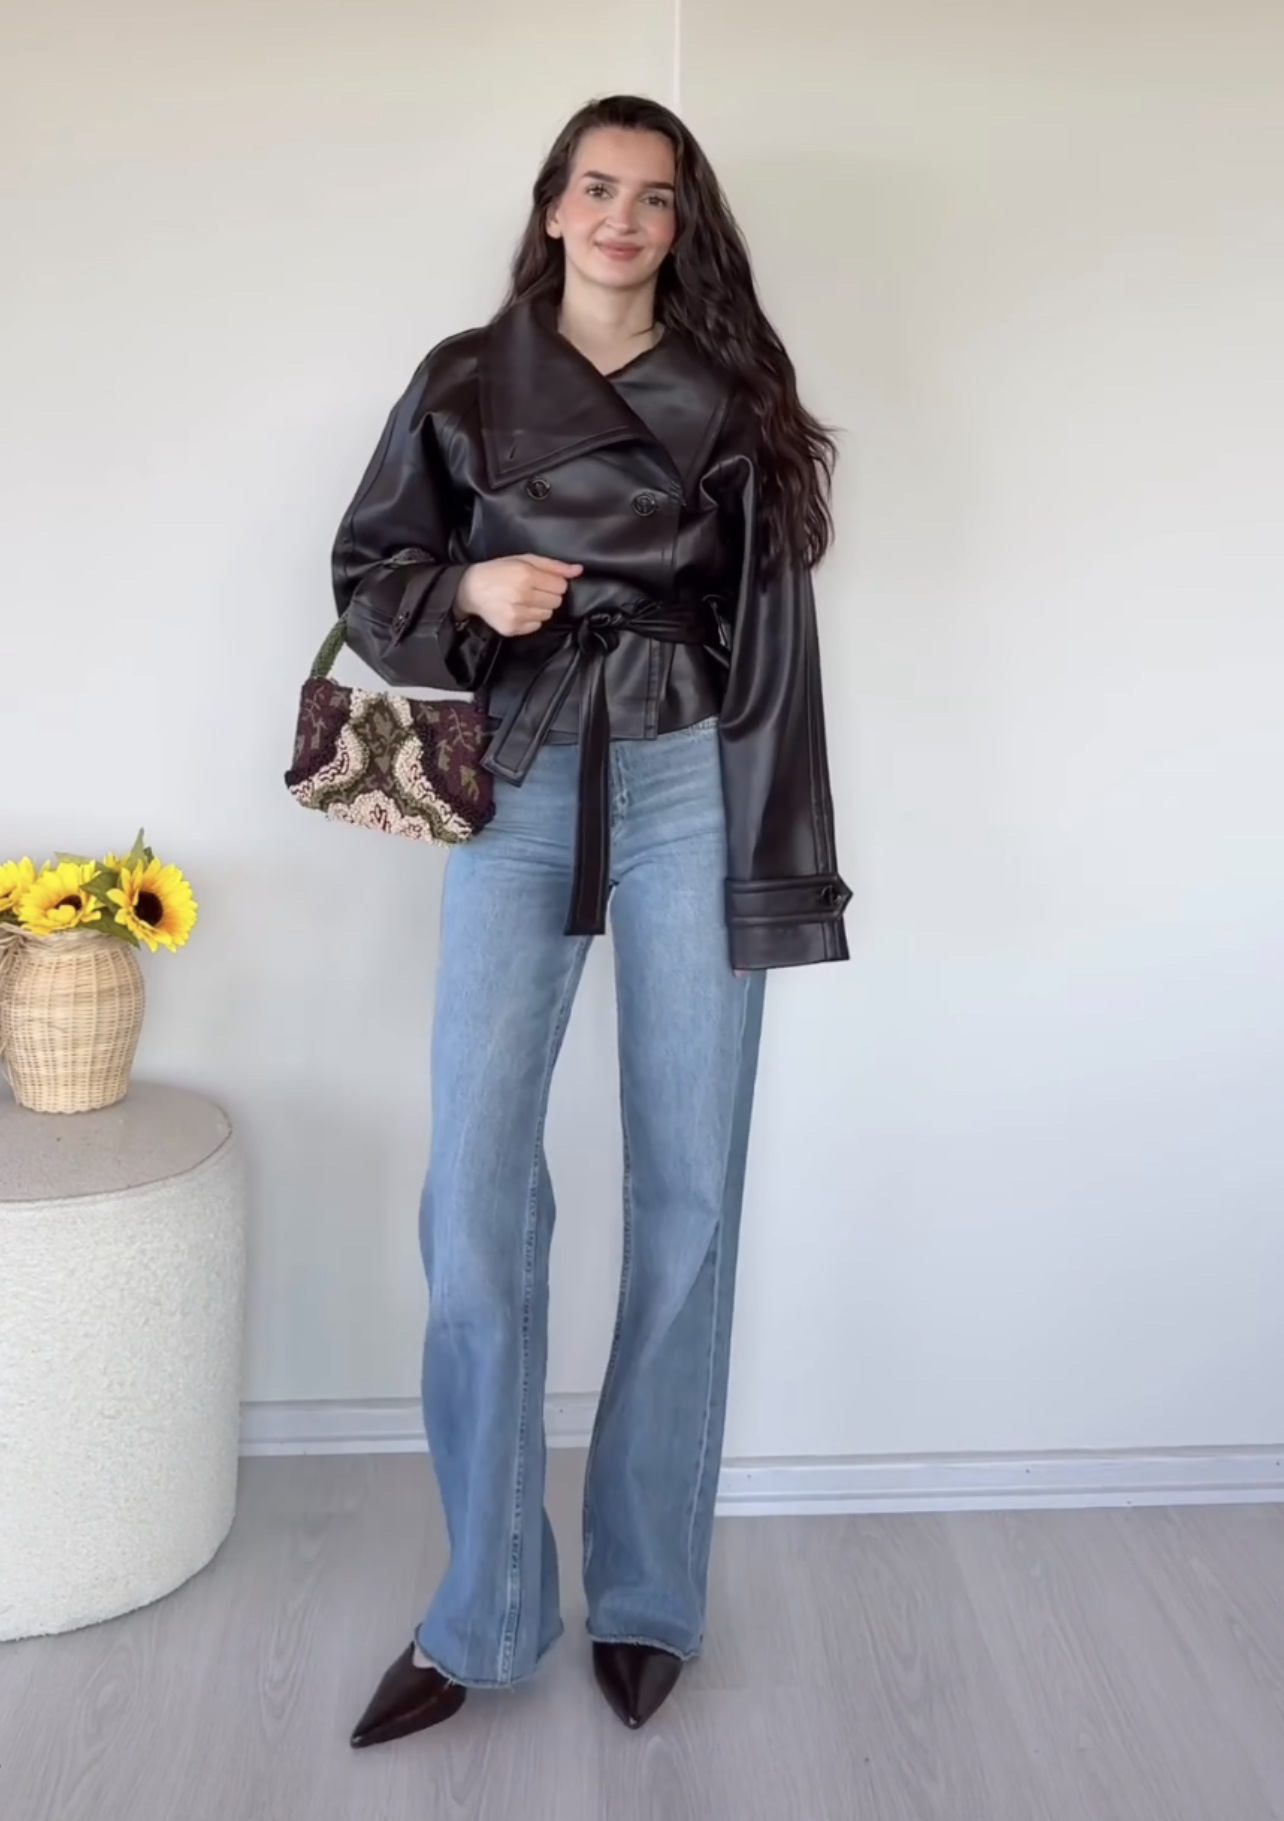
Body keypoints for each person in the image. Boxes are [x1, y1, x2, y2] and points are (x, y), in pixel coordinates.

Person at [332, 94, 850, 1744]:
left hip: (692, 775)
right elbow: (366, 578)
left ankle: (647, 1591)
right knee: (476, 1194)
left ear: (683, 226)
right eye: (598, 188)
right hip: (522, 774)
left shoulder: (733, 396)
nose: (624, 218)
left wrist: (779, 864)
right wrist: (466, 590)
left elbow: (776, 655)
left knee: (689, 1187)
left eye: (656, 197)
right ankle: (485, 1607)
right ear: (553, 206)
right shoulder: (464, 380)